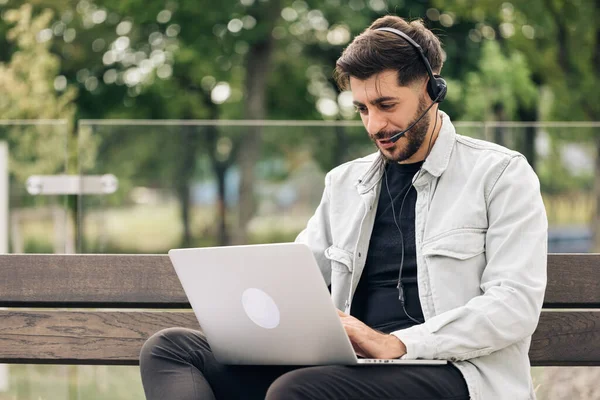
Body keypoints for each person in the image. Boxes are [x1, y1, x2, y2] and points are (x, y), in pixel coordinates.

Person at [139, 14, 547, 400]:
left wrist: (396, 343)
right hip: (349, 367)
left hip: (453, 369)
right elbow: (296, 278)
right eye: (362, 110)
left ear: (430, 90)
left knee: (298, 390)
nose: (373, 126)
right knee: (170, 349)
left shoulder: (500, 175)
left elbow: (514, 304)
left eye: (387, 105)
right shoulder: (344, 184)